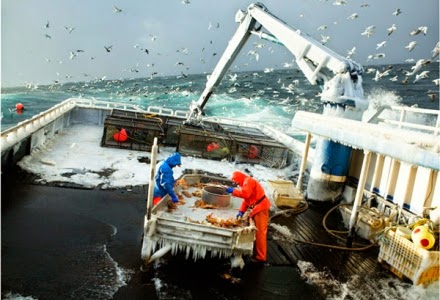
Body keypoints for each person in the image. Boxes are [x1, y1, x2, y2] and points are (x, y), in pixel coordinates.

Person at [226, 170, 270, 263]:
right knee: (257, 231)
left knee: (260, 233)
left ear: (239, 178)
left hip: (261, 208)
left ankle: (261, 257)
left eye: (236, 181)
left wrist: (232, 191)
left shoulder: (248, 181)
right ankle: (255, 251)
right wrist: (241, 212)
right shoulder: (245, 183)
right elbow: (246, 199)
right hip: (257, 207)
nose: (236, 183)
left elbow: (245, 194)